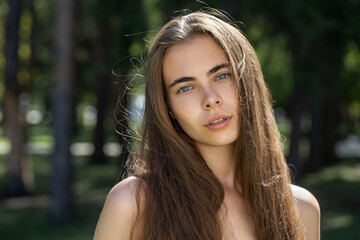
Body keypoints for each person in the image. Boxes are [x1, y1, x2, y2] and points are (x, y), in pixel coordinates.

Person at [93, 10, 320, 240]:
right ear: (167, 107)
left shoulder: (301, 209)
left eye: (221, 75)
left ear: (247, 79)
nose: (210, 99)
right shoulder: (133, 204)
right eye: (185, 88)